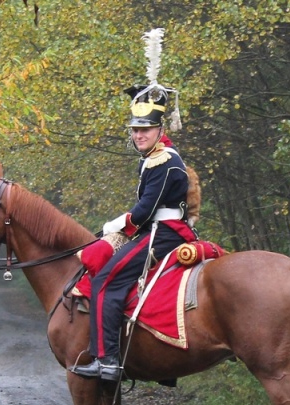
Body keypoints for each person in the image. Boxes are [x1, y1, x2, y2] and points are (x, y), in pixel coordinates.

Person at [70, 78, 197, 382]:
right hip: (160, 229)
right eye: (136, 130)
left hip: (164, 233)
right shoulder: (155, 158)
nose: (139, 135)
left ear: (159, 131)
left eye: (145, 130)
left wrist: (114, 226)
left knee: (105, 280)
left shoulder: (164, 161)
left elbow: (145, 211)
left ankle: (108, 360)